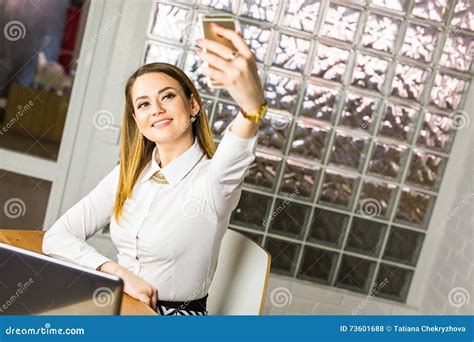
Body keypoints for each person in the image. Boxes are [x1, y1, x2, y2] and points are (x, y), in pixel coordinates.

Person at [42, 23, 268, 316]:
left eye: (168, 96)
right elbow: (57, 236)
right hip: (118, 306)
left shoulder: (214, 180)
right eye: (144, 103)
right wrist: (117, 272)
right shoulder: (128, 174)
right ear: (137, 120)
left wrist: (252, 106)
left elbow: (239, 141)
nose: (157, 109)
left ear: (193, 105)